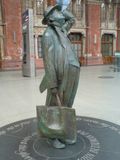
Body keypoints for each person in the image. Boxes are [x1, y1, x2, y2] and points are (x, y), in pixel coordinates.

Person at [39, 4, 80, 148]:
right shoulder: (48, 35)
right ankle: (53, 136)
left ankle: (63, 131)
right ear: (50, 18)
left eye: (58, 10)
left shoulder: (62, 30)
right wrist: (53, 84)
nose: (59, 12)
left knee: (66, 105)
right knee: (54, 106)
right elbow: (48, 62)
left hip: (72, 70)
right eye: (56, 11)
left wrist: (63, 9)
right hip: (58, 76)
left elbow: (72, 19)